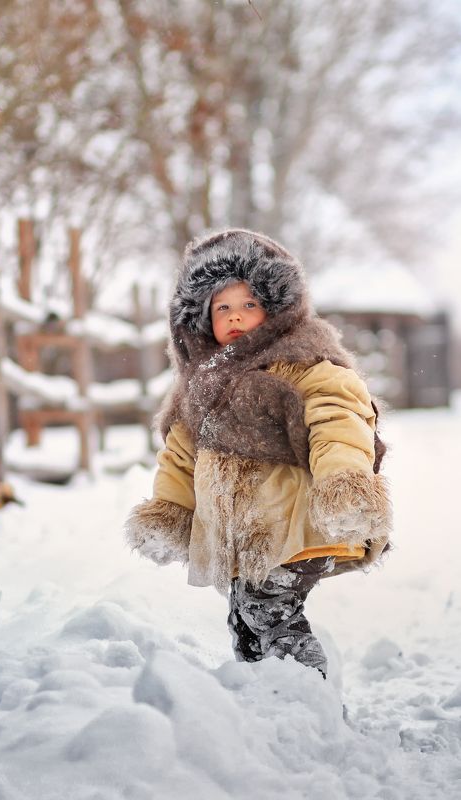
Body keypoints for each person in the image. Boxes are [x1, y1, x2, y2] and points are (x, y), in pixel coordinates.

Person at [125, 228, 391, 676]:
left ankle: (308, 696)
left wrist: (343, 483)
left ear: (276, 310)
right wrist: (169, 509)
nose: (235, 317)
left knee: (270, 611)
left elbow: (339, 422)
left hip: (294, 525)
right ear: (199, 319)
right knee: (246, 621)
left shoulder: (307, 365)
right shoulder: (202, 387)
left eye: (249, 305)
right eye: (222, 307)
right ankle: (264, 702)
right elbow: (180, 456)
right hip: (239, 534)